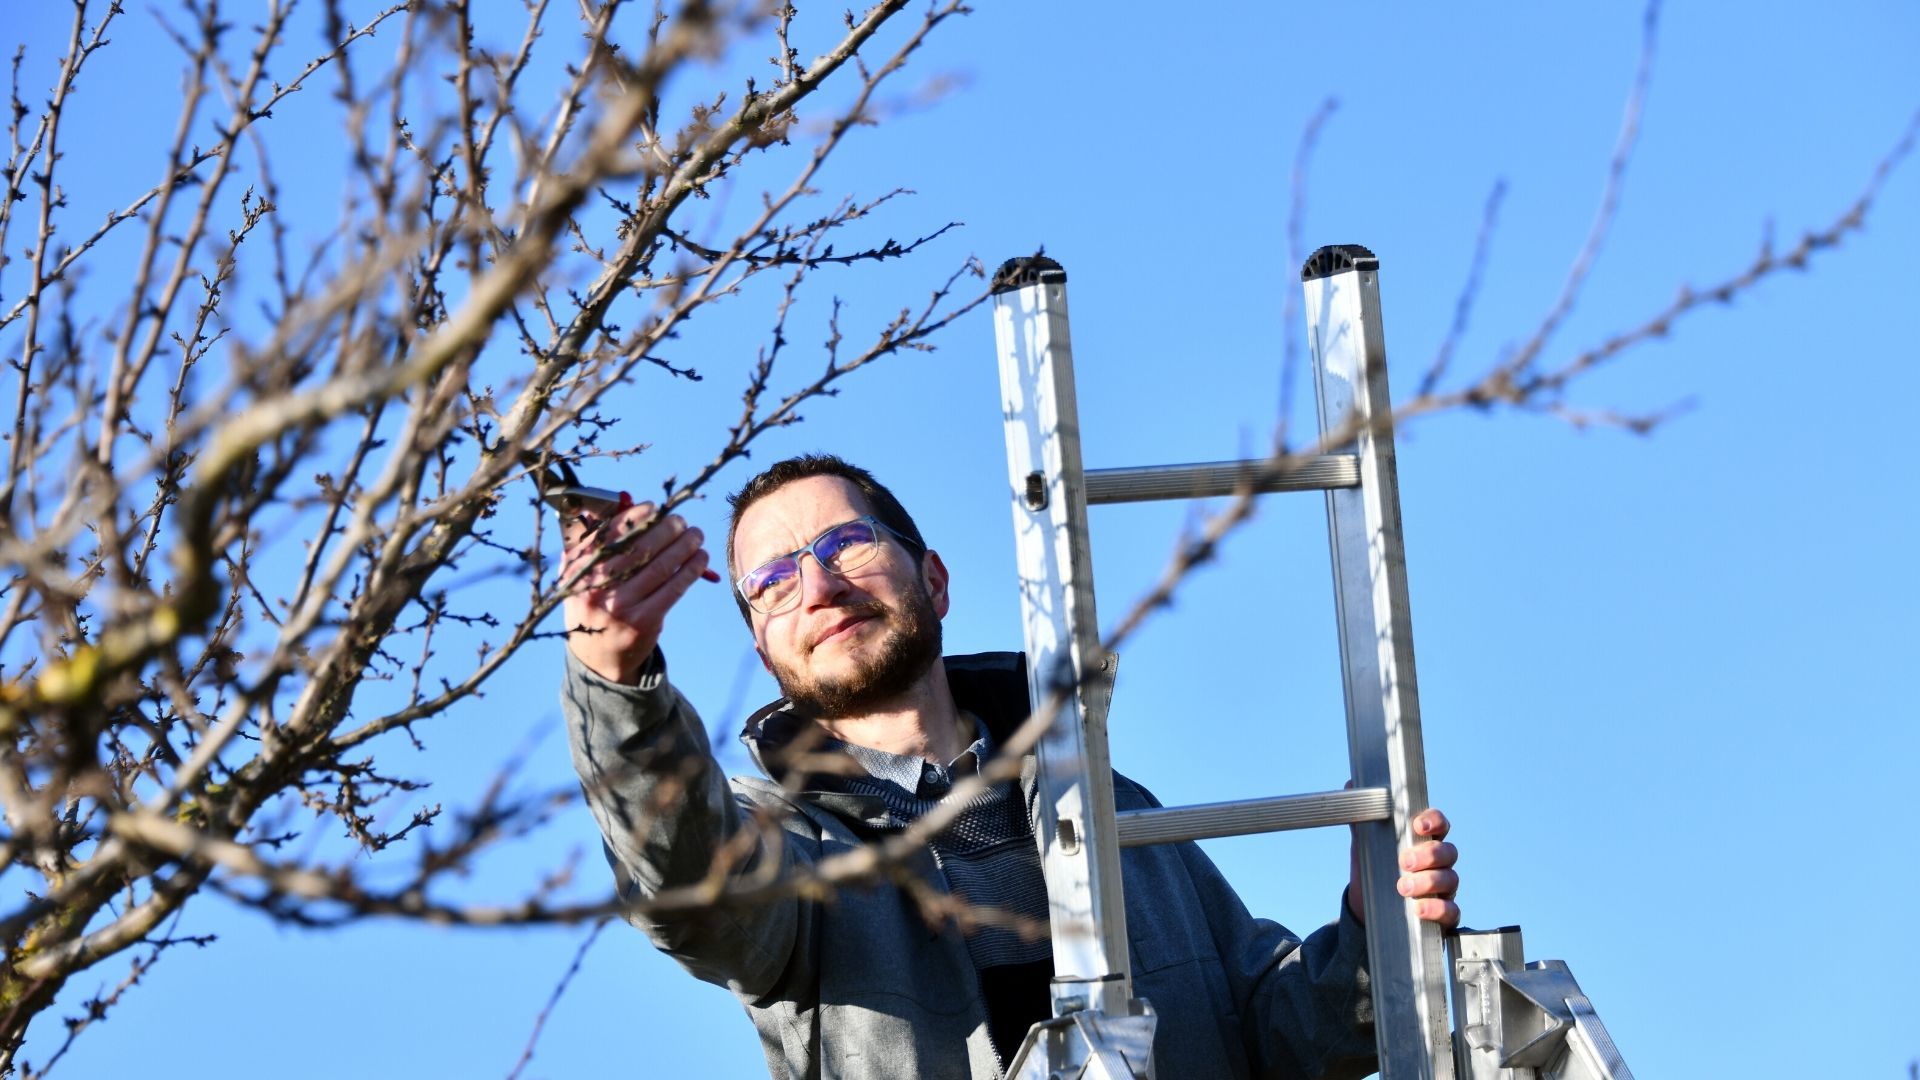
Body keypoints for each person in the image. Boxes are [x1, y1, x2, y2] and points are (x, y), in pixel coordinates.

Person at [559, 454, 1460, 1080]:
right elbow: (693, 886)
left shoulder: (1110, 810)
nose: (819, 586)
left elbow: (1283, 1039)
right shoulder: (788, 848)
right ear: (765, 647)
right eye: (774, 581)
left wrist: (1372, 917)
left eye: (845, 546)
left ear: (935, 582)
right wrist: (617, 680)